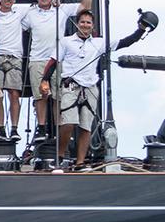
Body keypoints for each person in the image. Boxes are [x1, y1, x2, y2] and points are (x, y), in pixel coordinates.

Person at [39, 9, 145, 170]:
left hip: (90, 88)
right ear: (77, 23)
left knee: (85, 126)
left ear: (92, 26)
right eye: (82, 22)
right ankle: (60, 158)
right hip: (71, 85)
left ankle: (80, 162)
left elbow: (125, 42)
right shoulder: (66, 41)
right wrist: (44, 80)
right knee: (68, 122)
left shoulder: (99, 42)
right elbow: (53, 62)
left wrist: (141, 29)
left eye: (88, 22)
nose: (85, 25)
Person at [24, 0, 93, 141]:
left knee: (58, 97)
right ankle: (41, 128)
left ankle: (56, 129)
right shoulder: (29, 13)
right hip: (37, 59)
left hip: (58, 59)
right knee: (40, 96)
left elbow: (85, 7)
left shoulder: (61, 9)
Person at [0, 0, 26, 140]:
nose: (9, 0)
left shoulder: (20, 12)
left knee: (14, 93)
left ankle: (15, 128)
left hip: (14, 56)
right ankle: (1, 127)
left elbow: (40, 6)